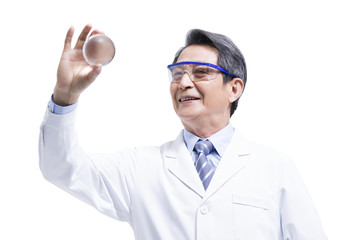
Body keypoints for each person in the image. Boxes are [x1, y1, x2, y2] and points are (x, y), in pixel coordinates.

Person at [39, 24, 327, 240]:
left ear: (234, 88)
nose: (184, 82)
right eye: (177, 74)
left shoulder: (275, 168)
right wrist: (65, 95)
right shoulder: (141, 168)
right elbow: (61, 168)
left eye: (201, 72)